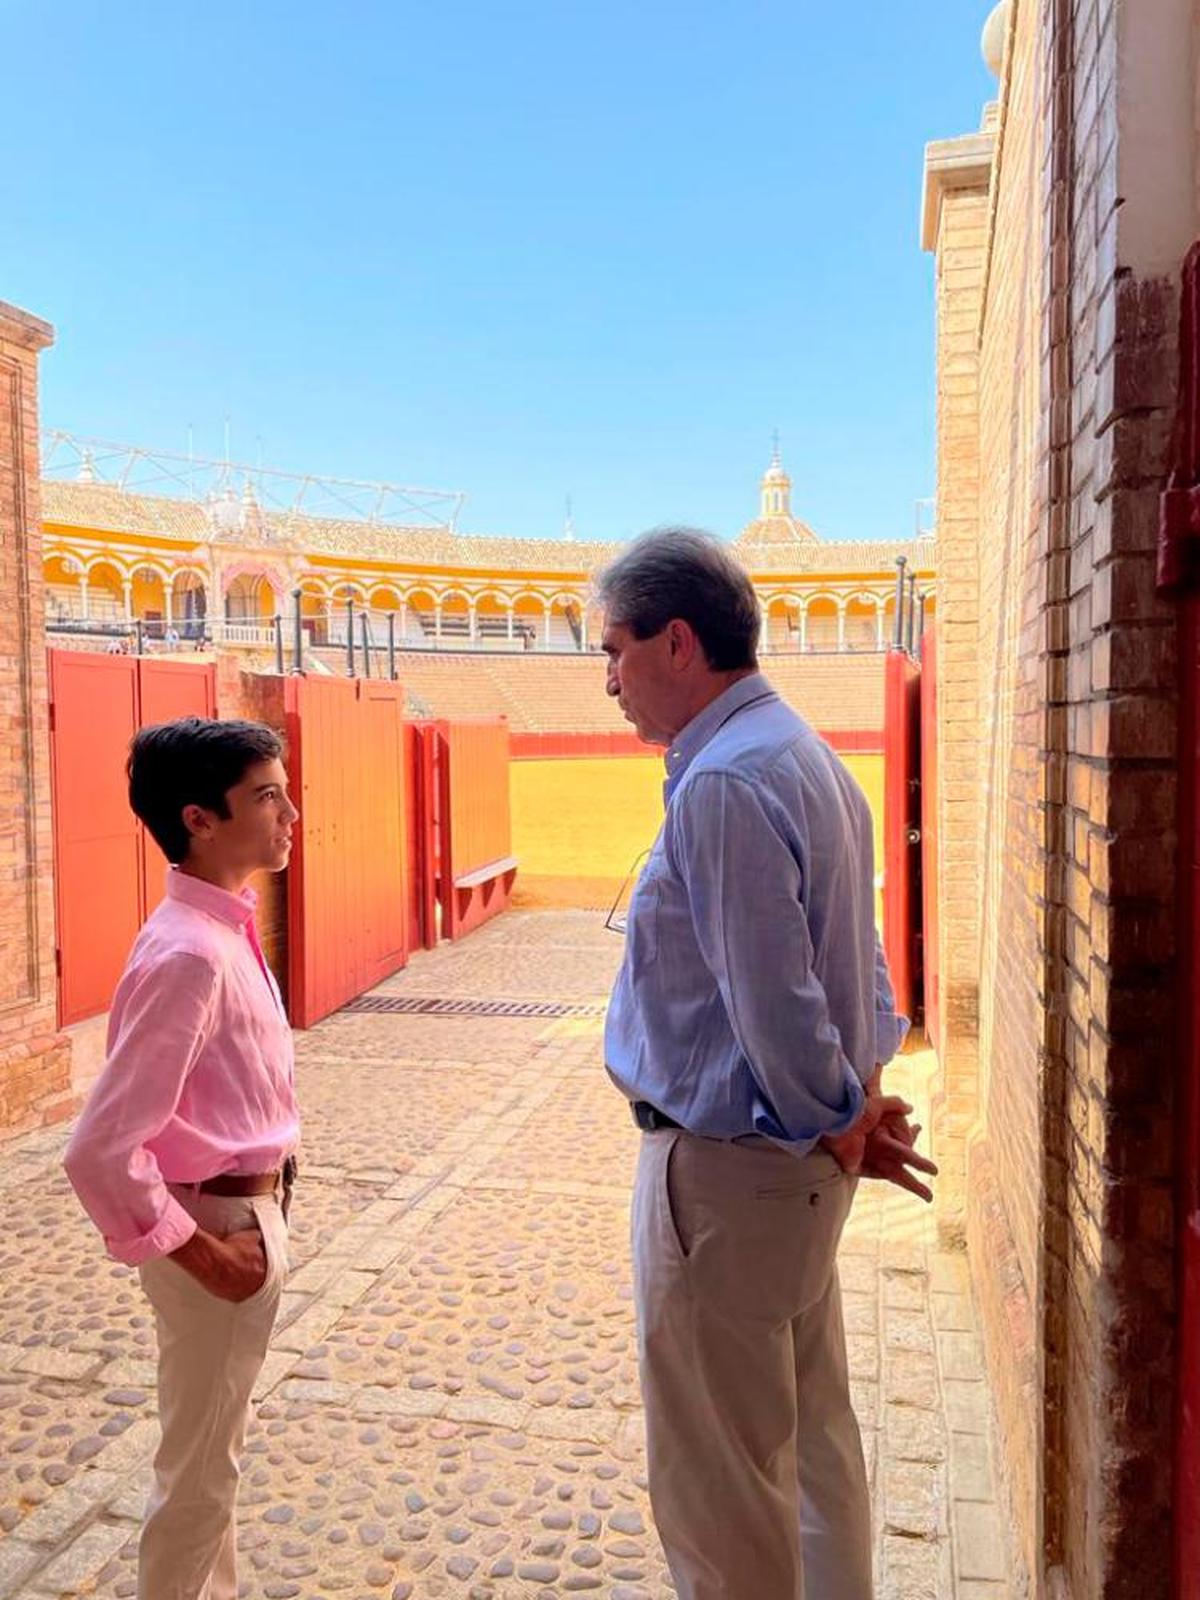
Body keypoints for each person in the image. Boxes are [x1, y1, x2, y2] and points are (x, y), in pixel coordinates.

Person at [597, 528, 937, 1600]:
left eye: (615, 649)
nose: (608, 679)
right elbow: (861, 961)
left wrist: (837, 1114)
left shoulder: (725, 782)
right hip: (795, 1166)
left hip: (732, 1169)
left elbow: (774, 999)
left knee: (723, 1482)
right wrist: (861, 1101)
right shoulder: (802, 753)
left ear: (680, 642)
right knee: (811, 1444)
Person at [64, 717, 301, 1600]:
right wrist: (205, 1255)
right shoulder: (191, 954)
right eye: (266, 795)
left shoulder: (220, 930)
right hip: (215, 1225)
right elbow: (99, 1151)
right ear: (199, 818)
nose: (291, 813)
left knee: (213, 1462)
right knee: (199, 1473)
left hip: (243, 1214)